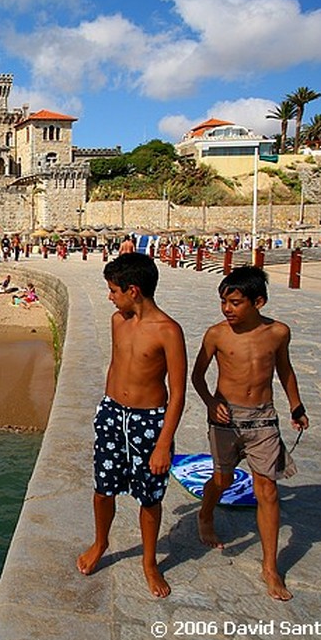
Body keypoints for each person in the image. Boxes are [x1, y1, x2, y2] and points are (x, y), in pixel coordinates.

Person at [191, 266, 308, 602]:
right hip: (226, 418)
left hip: (263, 419)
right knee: (223, 481)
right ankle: (205, 512)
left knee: (267, 490)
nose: (227, 309)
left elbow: (285, 370)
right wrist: (211, 402)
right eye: (224, 302)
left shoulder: (278, 333)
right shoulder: (216, 335)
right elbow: (198, 376)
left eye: (235, 302)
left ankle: (270, 566)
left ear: (259, 301)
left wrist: (296, 406)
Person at [76, 253, 187, 599]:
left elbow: (179, 393)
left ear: (133, 290)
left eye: (113, 290)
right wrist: (104, 410)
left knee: (149, 497)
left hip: (148, 421)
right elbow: (115, 364)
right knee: (102, 488)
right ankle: (101, 541)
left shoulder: (168, 331)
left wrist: (162, 444)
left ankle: (150, 562)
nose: (110, 296)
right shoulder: (117, 321)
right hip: (113, 414)